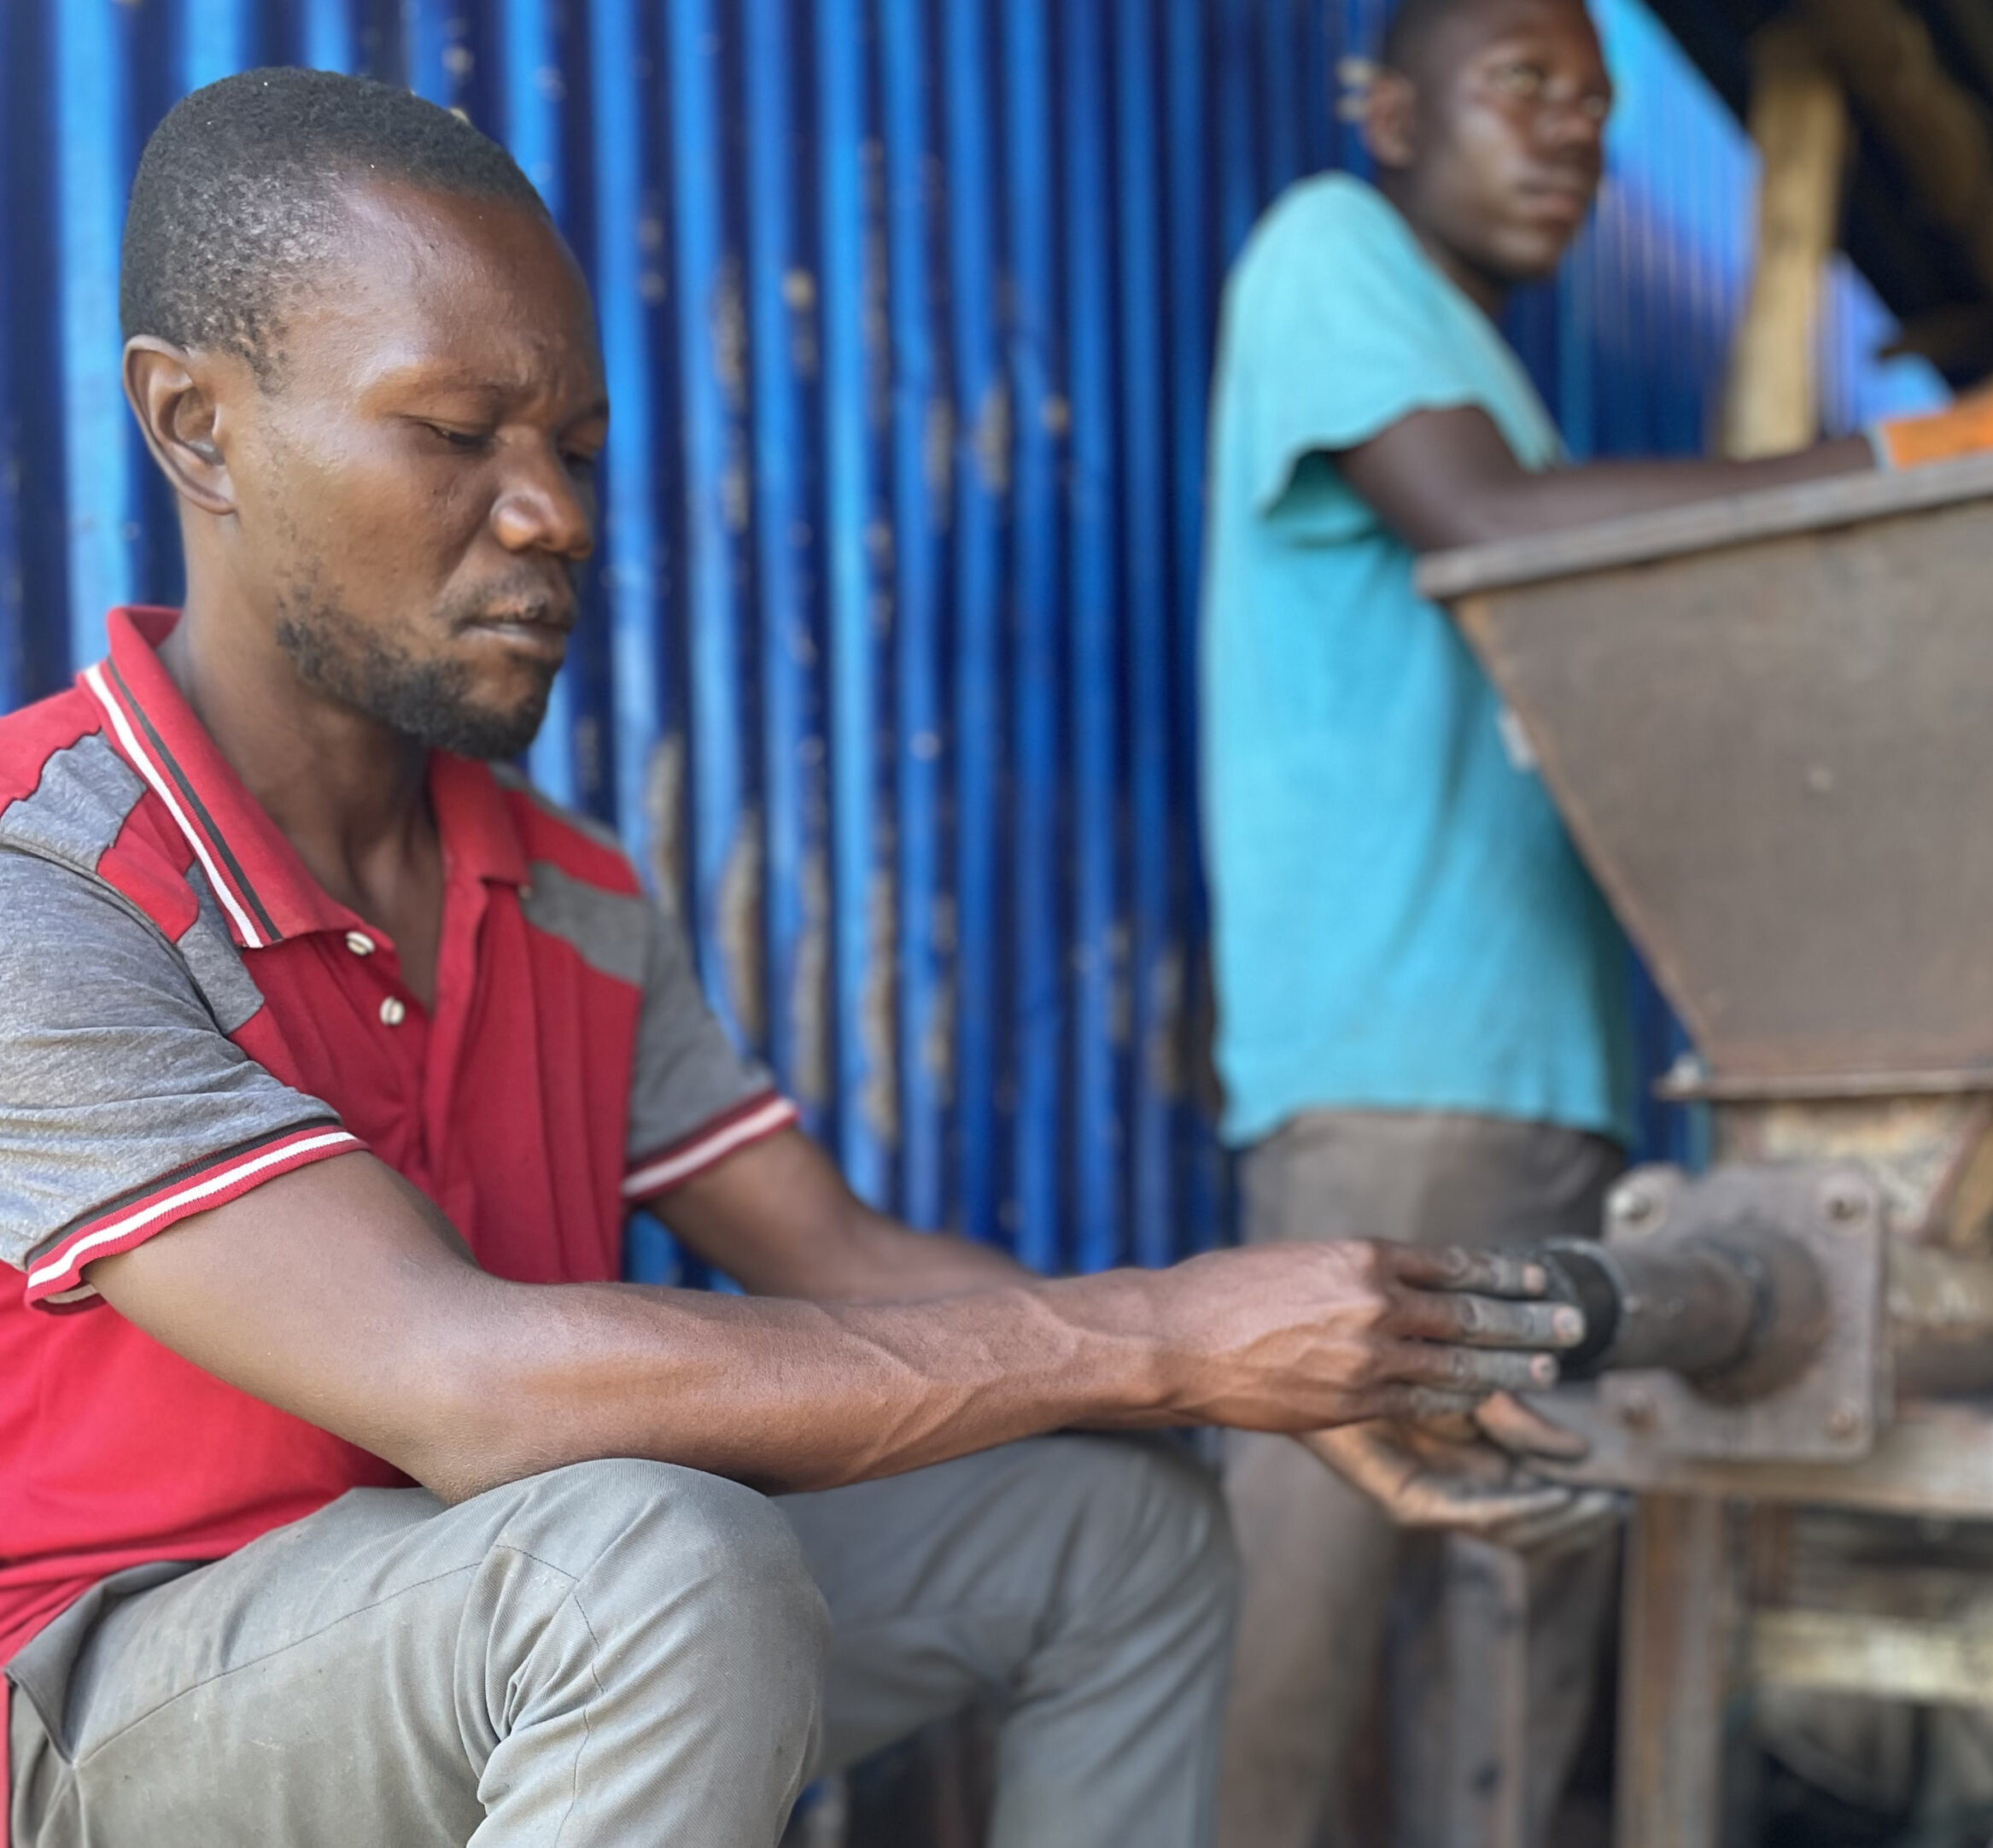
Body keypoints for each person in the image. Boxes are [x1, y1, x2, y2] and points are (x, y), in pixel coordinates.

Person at [0, 70, 1593, 1848]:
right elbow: (459, 1382)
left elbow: (831, 1252)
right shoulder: (45, 878)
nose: (552, 517)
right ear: (194, 426)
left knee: (1111, 1515)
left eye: (576, 446)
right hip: (113, 1712)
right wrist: (1165, 1333)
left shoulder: (568, 894)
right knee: (659, 1558)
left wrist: (1245, 1387)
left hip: (490, 1607)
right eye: (456, 432)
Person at [1197, 0, 1993, 1839]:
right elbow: (1496, 525)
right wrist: (1912, 463)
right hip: (1390, 1060)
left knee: (1529, 1569)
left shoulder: (1491, 364)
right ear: (1382, 109)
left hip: (1547, 1073)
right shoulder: (1326, 255)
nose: (1566, 132)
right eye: (1520, 88)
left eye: (1591, 99)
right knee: (1307, 1588)